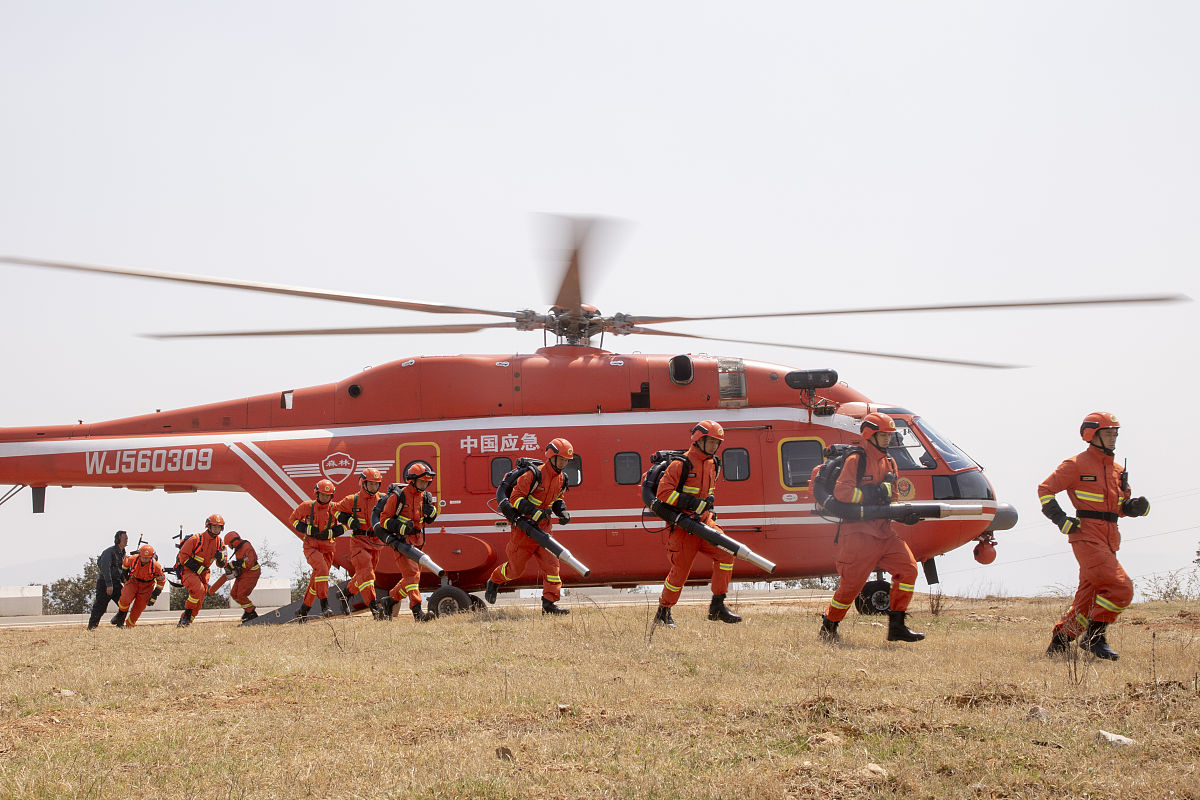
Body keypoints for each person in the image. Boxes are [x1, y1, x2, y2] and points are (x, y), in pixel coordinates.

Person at [1038, 412, 1148, 661]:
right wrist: (1060, 519)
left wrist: (1133, 507)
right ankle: (1094, 638)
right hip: (1086, 537)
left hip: (1109, 540)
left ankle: (1058, 645)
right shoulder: (1076, 464)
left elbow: (1119, 508)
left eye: (1115, 433)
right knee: (1121, 588)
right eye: (1108, 433)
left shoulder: (1118, 470)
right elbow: (1045, 490)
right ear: (1091, 435)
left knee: (1087, 602)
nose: (1113, 437)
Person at [818, 412, 925, 644]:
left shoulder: (890, 463)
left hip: (885, 533)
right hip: (858, 535)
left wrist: (903, 516)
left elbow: (892, 499)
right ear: (869, 435)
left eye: (889, 435)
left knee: (908, 570)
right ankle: (829, 625)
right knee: (851, 587)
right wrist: (871, 493)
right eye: (883, 435)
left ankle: (897, 626)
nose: (888, 439)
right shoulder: (856, 461)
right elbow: (842, 493)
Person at [651, 420, 740, 628]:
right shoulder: (680, 464)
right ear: (698, 440)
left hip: (704, 522)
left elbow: (709, 491)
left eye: (717, 443)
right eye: (711, 442)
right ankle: (663, 612)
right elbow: (663, 494)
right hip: (684, 527)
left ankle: (717, 606)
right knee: (680, 572)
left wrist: (709, 508)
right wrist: (691, 503)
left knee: (727, 553)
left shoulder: (713, 464)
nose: (714, 446)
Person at [485, 438, 574, 615]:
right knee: (515, 570)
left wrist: (562, 511)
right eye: (561, 459)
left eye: (566, 461)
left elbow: (558, 499)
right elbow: (515, 499)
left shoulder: (562, 479)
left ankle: (549, 605)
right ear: (551, 457)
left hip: (544, 530)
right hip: (524, 530)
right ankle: (494, 581)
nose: (563, 464)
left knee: (552, 567)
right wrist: (533, 512)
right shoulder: (533, 475)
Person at [375, 464, 441, 622]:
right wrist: (402, 528)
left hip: (418, 541)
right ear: (412, 480)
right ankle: (418, 613)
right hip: (401, 543)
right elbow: (384, 520)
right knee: (411, 575)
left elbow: (430, 519)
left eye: (427, 482)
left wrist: (431, 511)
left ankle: (390, 600)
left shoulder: (425, 497)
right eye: (422, 481)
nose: (424, 485)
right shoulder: (398, 496)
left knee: (412, 577)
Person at [333, 468, 387, 619]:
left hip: (376, 543)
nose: (374, 487)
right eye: (371, 484)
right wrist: (349, 520)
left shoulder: (383, 499)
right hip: (358, 542)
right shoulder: (352, 500)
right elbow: (335, 510)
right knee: (367, 574)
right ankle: (375, 609)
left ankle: (345, 594)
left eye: (376, 484)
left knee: (363, 575)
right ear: (363, 484)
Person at [290, 479, 347, 621]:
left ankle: (303, 610)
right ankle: (324, 606)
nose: (325, 498)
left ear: (332, 496)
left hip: (328, 549)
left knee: (317, 579)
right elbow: (293, 519)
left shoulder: (336, 508)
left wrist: (332, 532)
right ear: (316, 494)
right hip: (311, 547)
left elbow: (346, 523)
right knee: (321, 570)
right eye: (322, 495)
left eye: (328, 495)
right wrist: (307, 529)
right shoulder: (306, 506)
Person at [177, 514, 229, 627]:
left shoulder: (220, 544)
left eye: (219, 527)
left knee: (199, 602)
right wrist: (197, 568)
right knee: (198, 589)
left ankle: (184, 624)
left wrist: (221, 560)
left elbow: (223, 563)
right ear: (208, 526)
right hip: (188, 571)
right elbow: (183, 556)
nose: (216, 529)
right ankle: (186, 617)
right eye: (214, 526)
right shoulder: (196, 539)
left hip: (204, 574)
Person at [110, 544, 166, 628]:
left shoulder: (156, 566)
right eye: (143, 557)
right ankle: (120, 615)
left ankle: (129, 626)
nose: (145, 559)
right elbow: (125, 564)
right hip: (133, 581)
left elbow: (161, 581)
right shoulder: (133, 559)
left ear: (151, 557)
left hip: (147, 586)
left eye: (147, 558)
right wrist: (125, 575)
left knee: (139, 608)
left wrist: (154, 595)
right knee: (125, 598)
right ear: (139, 555)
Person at [87, 530, 128, 630]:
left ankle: (119, 623)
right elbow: (105, 568)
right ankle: (92, 627)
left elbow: (121, 569)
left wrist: (125, 580)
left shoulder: (123, 553)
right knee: (100, 606)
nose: (127, 540)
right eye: (125, 539)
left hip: (116, 583)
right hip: (105, 583)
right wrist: (109, 585)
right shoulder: (108, 552)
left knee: (124, 603)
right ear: (118, 540)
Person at [222, 531, 262, 622]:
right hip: (244, 573)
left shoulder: (247, 547)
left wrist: (236, 564)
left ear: (234, 542)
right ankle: (248, 610)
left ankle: (251, 613)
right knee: (234, 593)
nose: (229, 547)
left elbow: (249, 564)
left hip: (252, 573)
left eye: (229, 544)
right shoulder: (238, 547)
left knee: (241, 595)